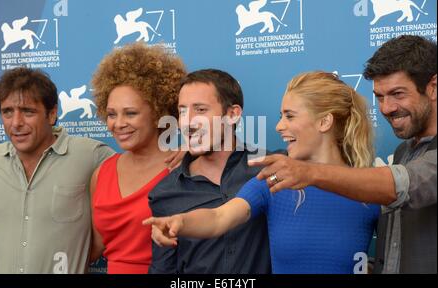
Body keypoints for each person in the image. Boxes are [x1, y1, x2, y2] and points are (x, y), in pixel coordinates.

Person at [145, 71, 380, 274]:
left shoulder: (372, 189)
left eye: (289, 116)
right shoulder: (272, 177)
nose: (279, 126)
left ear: (324, 122)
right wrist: (180, 221)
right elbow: (219, 218)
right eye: (183, 111)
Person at [246, 35, 437, 274]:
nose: (387, 108)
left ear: (433, 87)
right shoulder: (403, 152)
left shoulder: (399, 171)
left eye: (398, 94)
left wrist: (310, 172)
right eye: (379, 97)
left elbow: (401, 185)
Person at [0, 67, 115, 274]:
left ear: (52, 114)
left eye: (28, 111)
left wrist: (182, 155)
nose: (16, 123)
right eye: (7, 112)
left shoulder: (91, 155)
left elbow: (141, 166)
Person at [147, 69, 271, 274]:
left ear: (232, 114)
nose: (187, 122)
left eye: (201, 110)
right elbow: (164, 270)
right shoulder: (166, 192)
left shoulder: (269, 169)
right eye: (183, 111)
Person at [89, 42, 187, 274]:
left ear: (158, 112)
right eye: (112, 114)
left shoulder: (182, 166)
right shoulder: (101, 173)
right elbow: (94, 248)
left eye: (130, 113)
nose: (118, 123)